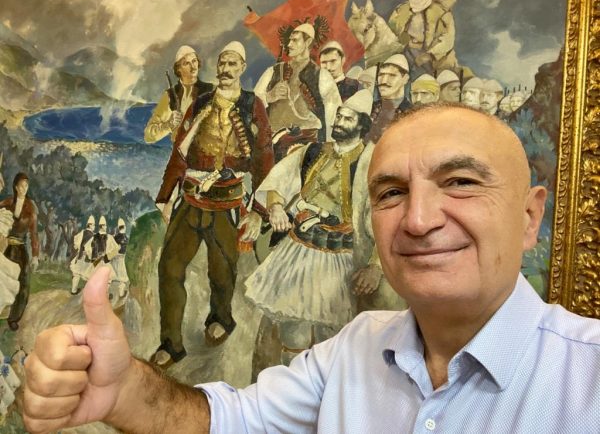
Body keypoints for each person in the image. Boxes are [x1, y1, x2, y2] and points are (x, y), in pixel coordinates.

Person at [23, 104, 600, 434]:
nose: (419, 219)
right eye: (391, 192)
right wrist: (125, 389)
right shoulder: (356, 348)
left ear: (529, 217)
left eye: (461, 182)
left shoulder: (586, 381)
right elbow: (230, 420)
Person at [151, 41, 274, 366]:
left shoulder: (252, 105)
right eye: (222, 63)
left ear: (242, 68)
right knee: (169, 267)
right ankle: (171, 344)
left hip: (227, 201)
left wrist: (259, 210)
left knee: (222, 270)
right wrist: (165, 197)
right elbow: (180, 150)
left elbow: (264, 157)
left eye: (233, 63)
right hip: (191, 199)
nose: (226, 69)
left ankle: (221, 318)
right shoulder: (202, 102)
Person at [242, 90, 373, 374]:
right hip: (298, 250)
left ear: (362, 125)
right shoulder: (313, 151)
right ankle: (295, 385)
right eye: (339, 116)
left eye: (347, 118)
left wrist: (375, 266)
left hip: (341, 256)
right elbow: (278, 181)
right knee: (293, 331)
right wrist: (276, 207)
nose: (339, 122)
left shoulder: (371, 162)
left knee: (332, 335)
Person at [254, 23, 341, 159]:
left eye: (295, 40)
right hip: (274, 143)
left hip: (308, 144)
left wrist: (330, 145)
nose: (289, 44)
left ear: (308, 42)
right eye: (289, 40)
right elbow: (252, 104)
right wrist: (269, 96)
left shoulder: (322, 76)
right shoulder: (273, 71)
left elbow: (334, 113)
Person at [144, 45, 213, 144]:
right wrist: (169, 125)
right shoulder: (170, 95)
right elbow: (148, 136)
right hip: (178, 150)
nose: (193, 67)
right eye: (186, 63)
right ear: (178, 69)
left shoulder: (211, 90)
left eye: (194, 61)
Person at [388, 0, 458, 78]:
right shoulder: (402, 9)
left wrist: (430, 55)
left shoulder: (442, 12)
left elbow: (448, 40)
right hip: (407, 52)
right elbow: (391, 31)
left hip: (433, 59)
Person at [0, 173, 39, 331]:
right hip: (6, 247)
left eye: (26, 186)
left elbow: (34, 233)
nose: (24, 189)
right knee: (4, 279)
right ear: (16, 187)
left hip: (21, 250)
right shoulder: (7, 202)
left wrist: (35, 256)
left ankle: (14, 318)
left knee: (24, 283)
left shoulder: (30, 207)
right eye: (21, 186)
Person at [367, 54, 412, 143]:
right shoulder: (369, 108)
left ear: (405, 79)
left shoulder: (411, 113)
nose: (384, 81)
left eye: (392, 75)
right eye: (381, 75)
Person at [69, 215, 95, 295]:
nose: (94, 227)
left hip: (79, 256)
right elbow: (89, 249)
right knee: (89, 273)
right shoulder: (92, 235)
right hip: (86, 257)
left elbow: (76, 243)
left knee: (76, 273)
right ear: (90, 225)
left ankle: (73, 290)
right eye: (93, 225)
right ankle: (89, 292)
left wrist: (79, 249)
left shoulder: (82, 232)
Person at [111, 218, 129, 299]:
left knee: (112, 277)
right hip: (122, 259)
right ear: (124, 227)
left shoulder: (115, 237)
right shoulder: (126, 238)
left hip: (114, 259)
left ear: (118, 228)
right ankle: (121, 294)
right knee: (123, 277)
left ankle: (108, 294)